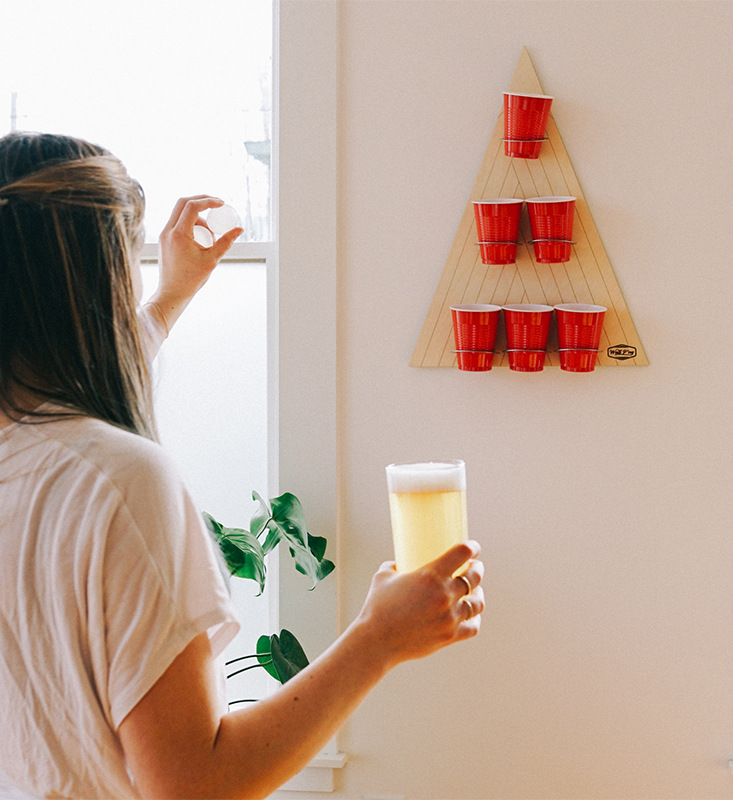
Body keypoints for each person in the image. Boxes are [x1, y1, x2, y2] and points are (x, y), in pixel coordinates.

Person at [0, 131, 485, 800]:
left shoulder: (37, 460)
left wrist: (170, 298)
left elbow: (59, 405)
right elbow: (194, 785)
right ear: (99, 278)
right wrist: (377, 639)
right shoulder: (121, 482)